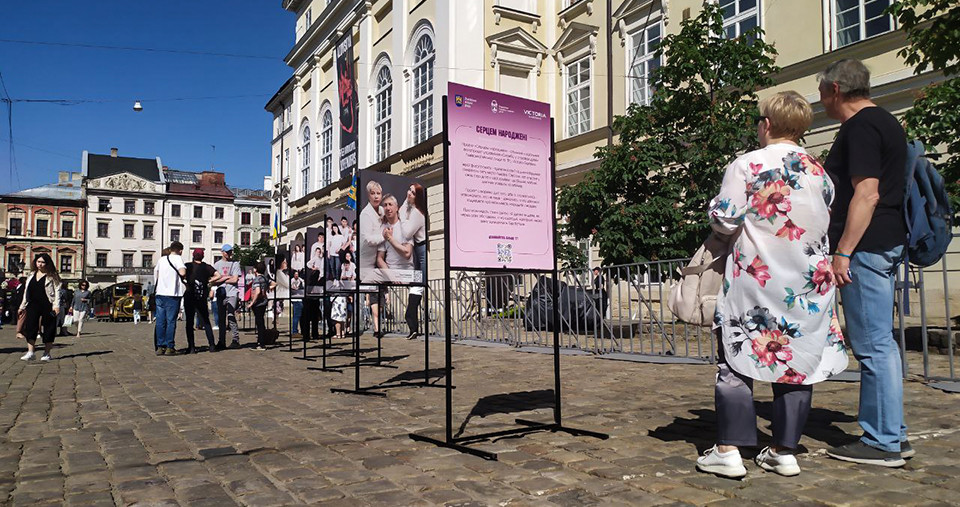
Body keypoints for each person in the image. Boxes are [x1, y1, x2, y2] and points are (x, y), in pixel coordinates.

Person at [696, 91, 847, 479]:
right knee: (797, 362)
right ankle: (784, 450)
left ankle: (730, 449)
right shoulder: (818, 171)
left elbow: (726, 220)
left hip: (756, 278)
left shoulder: (746, 165)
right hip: (808, 282)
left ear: (766, 124)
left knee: (736, 357)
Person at [817, 60, 911, 468]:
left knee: (873, 345)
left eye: (822, 92)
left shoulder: (861, 127)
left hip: (867, 248)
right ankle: (891, 433)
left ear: (835, 89)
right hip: (883, 243)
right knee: (880, 343)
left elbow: (867, 193)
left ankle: (883, 440)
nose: (820, 101)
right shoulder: (887, 122)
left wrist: (844, 251)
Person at [18, 254, 61, 361]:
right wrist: (22, 306)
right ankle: (31, 352)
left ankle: (47, 353)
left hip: (48, 304)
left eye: (42, 262)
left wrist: (56, 306)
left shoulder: (52, 276)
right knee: (30, 327)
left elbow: (57, 291)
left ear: (47, 263)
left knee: (49, 328)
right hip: (33, 304)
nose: (40, 264)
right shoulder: (31, 275)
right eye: (38, 262)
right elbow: (26, 292)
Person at [185, 248, 222, 354]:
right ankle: (211, 345)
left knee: (189, 322)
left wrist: (186, 283)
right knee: (206, 322)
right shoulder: (207, 267)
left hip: (189, 297)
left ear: (193, 255)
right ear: (203, 256)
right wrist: (208, 281)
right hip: (201, 297)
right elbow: (218, 275)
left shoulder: (188, 266)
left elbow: (181, 275)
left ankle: (191, 347)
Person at [153, 241, 187, 356]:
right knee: (171, 321)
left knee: (160, 321)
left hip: (160, 293)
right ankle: (169, 347)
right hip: (172, 294)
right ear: (180, 250)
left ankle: (160, 346)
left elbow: (156, 274)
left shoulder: (161, 259)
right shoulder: (177, 259)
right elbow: (182, 272)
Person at [377, 194, 416, 282]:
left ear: (397, 208)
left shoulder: (405, 226)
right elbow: (379, 258)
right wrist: (390, 275)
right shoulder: (382, 229)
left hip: (407, 273)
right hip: (390, 273)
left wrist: (390, 238)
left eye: (390, 204)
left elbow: (407, 254)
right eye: (385, 205)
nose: (387, 208)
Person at [214, 244, 243, 349]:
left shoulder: (235, 263)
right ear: (222, 252)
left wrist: (222, 278)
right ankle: (221, 341)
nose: (229, 254)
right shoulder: (217, 265)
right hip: (221, 293)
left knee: (231, 315)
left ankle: (235, 339)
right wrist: (227, 277)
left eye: (230, 251)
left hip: (232, 293)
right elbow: (214, 281)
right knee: (221, 318)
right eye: (227, 252)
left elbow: (235, 279)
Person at [246, 261, 274, 351]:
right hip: (264, 302)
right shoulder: (265, 278)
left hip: (258, 303)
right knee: (261, 322)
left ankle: (261, 343)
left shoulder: (257, 279)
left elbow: (257, 292)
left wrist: (252, 303)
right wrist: (266, 289)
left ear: (255, 269)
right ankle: (261, 342)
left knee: (259, 323)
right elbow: (274, 283)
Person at [360, 180, 385, 277]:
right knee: (367, 289)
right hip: (367, 263)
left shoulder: (382, 210)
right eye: (373, 193)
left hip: (378, 261)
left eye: (378, 193)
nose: (376, 196)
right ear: (368, 195)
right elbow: (368, 239)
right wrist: (384, 236)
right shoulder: (365, 214)